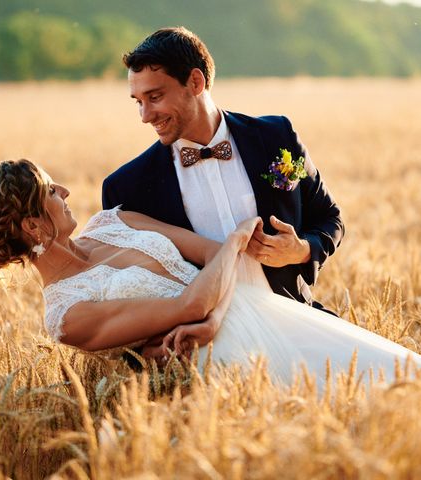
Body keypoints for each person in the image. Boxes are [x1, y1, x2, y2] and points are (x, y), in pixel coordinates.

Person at [0, 160, 421, 387]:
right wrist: (239, 236)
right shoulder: (67, 315)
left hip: (263, 313)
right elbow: (189, 303)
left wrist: (220, 281)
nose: (65, 190)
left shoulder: (115, 221)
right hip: (230, 367)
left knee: (410, 386)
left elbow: (211, 260)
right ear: (31, 225)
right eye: (51, 190)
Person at [102, 27, 344, 313]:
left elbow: (330, 219)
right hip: (204, 343)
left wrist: (301, 250)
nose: (144, 116)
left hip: (294, 315)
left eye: (154, 97)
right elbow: (129, 291)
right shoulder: (126, 188)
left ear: (195, 81)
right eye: (138, 102)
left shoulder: (276, 136)